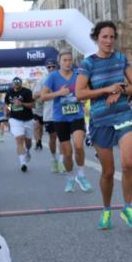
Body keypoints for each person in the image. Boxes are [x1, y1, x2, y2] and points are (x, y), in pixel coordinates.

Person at [76, 21, 132, 229]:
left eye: (112, 37)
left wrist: (120, 90)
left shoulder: (121, 59)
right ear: (97, 38)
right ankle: (106, 209)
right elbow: (79, 93)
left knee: (128, 163)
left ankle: (128, 207)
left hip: (123, 115)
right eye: (104, 37)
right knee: (108, 171)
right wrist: (106, 90)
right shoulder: (88, 64)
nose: (109, 41)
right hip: (100, 120)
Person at [41, 51, 91, 192]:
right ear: (60, 62)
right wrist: (59, 93)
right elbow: (43, 96)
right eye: (65, 60)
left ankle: (81, 175)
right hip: (60, 119)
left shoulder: (78, 75)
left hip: (77, 116)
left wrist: (83, 98)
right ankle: (70, 178)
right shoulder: (53, 76)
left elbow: (87, 91)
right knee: (67, 153)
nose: (68, 63)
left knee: (78, 145)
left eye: (70, 60)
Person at [36, 60, 63, 173]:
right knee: (53, 137)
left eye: (53, 66)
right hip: (49, 113)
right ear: (46, 68)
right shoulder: (42, 80)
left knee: (63, 138)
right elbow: (35, 96)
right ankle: (53, 158)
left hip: (62, 112)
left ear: (57, 67)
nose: (51, 68)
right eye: (49, 67)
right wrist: (45, 92)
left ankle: (61, 161)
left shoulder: (62, 78)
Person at [4, 78, 35, 172]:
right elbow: (8, 104)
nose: (16, 84)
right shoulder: (9, 92)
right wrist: (7, 110)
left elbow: (33, 105)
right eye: (15, 83)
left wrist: (21, 104)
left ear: (21, 84)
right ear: (12, 84)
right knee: (19, 140)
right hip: (15, 119)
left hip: (28, 119)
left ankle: (28, 151)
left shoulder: (27, 92)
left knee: (28, 142)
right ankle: (23, 163)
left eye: (18, 83)